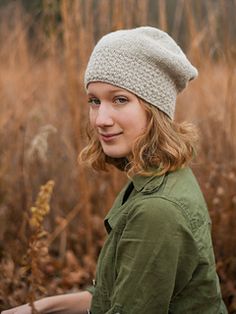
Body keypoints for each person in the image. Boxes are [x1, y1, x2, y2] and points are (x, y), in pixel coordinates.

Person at [2, 26, 228, 314]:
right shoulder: (157, 174)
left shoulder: (157, 210)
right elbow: (109, 296)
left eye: (119, 99)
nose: (101, 119)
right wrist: (38, 309)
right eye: (94, 101)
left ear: (154, 109)